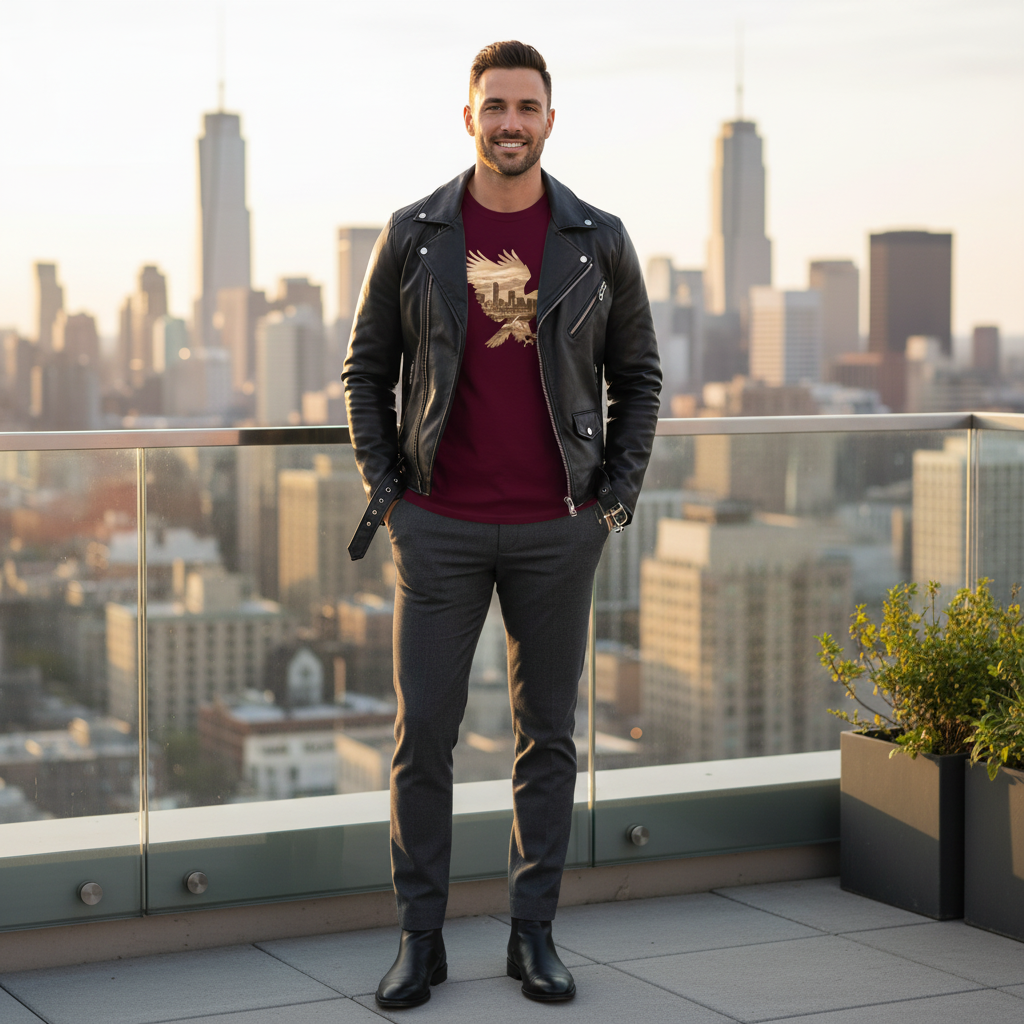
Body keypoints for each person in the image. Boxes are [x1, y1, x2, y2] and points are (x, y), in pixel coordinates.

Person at [342, 39, 661, 1009]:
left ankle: (533, 935)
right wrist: (389, 492)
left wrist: (612, 500)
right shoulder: (416, 233)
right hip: (435, 524)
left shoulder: (596, 239)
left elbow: (638, 376)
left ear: (549, 120)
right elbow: (366, 369)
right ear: (469, 116)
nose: (510, 123)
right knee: (422, 736)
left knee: (547, 736)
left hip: (558, 530)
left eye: (527, 107)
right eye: (495, 107)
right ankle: (419, 938)